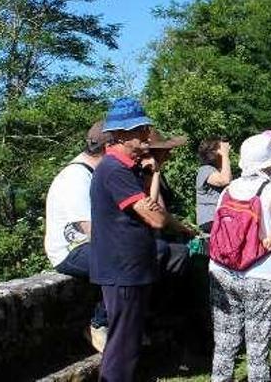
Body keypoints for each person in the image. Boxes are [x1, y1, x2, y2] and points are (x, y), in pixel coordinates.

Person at [90, 97, 196, 381]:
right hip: (122, 270)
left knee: (129, 342)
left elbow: (155, 210)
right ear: (122, 135)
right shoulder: (113, 170)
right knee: (122, 347)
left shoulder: (129, 169)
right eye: (140, 130)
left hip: (132, 268)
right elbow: (155, 218)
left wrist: (152, 174)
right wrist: (167, 219)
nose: (147, 135)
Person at [208, 133, 271, 382]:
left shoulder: (228, 189)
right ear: (267, 164)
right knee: (258, 345)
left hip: (221, 270)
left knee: (224, 340)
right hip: (262, 272)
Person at [44, 120, 109, 352]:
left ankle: (130, 323)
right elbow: (90, 228)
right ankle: (99, 324)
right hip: (69, 250)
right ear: (108, 149)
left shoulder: (94, 172)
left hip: (86, 245)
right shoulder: (76, 177)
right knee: (122, 259)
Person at [196, 137, 233, 233]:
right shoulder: (205, 169)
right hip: (211, 219)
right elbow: (225, 180)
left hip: (221, 217)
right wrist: (225, 154)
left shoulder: (217, 171)